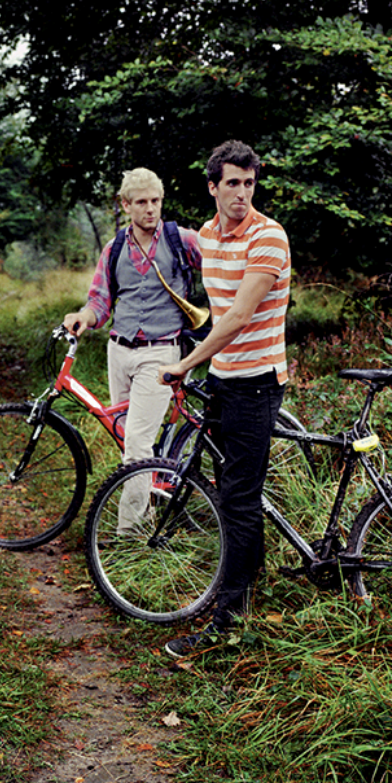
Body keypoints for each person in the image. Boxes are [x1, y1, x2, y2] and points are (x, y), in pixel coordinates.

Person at [156, 140, 291, 659]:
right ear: (213, 186)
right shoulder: (208, 236)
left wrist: (186, 363)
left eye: (249, 183)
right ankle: (249, 588)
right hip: (223, 379)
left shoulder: (268, 236)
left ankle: (226, 626)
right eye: (232, 183)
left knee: (238, 500)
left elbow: (236, 316)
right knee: (233, 493)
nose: (242, 193)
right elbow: (211, 310)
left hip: (257, 383)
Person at [63, 167, 202, 533]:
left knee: (138, 446)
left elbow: (222, 270)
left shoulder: (182, 240)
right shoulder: (115, 249)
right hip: (119, 351)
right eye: (141, 202)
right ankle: (149, 511)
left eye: (155, 201)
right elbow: (100, 301)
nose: (150, 209)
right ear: (126, 205)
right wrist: (83, 316)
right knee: (127, 440)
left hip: (161, 353)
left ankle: (128, 535)